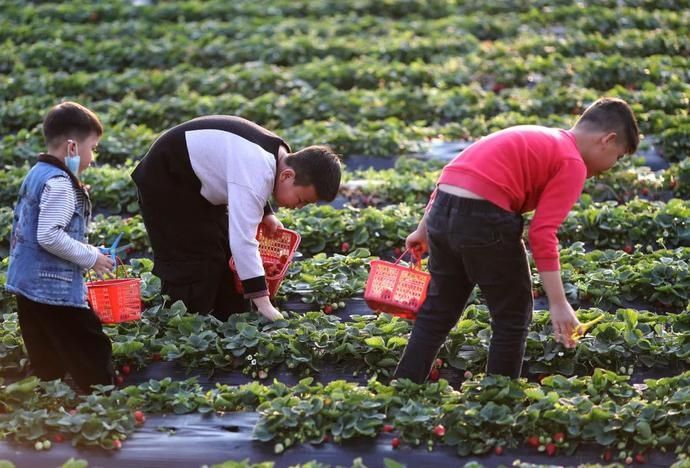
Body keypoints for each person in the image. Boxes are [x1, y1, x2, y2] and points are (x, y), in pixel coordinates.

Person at [395, 97, 640, 382]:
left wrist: (424, 227)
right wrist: (558, 303)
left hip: (444, 208)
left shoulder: (536, 135)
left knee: (438, 311)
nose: (611, 166)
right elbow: (542, 232)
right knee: (512, 317)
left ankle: (403, 391)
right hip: (485, 218)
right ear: (607, 140)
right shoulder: (572, 162)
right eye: (618, 157)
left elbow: (454, 171)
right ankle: (497, 404)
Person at [131, 116, 341, 322]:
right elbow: (243, 241)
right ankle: (180, 326)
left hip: (196, 184)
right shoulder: (257, 167)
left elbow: (242, 177)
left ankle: (229, 324)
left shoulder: (279, 156)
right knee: (194, 263)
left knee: (224, 256)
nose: (298, 206)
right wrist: (264, 304)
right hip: (166, 180)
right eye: (301, 199)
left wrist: (266, 212)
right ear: (287, 176)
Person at [5, 101, 115, 392]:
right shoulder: (61, 185)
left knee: (46, 352)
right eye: (93, 148)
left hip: (26, 282)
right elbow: (50, 236)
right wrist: (92, 257)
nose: (93, 156)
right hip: (54, 287)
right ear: (72, 148)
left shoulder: (37, 172)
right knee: (91, 346)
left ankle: (52, 399)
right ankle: (100, 397)